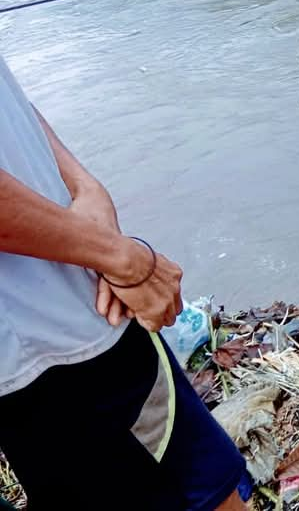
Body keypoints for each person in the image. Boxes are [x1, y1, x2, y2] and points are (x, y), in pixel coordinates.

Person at [0, 56, 250, 511]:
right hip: (56, 340)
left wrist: (84, 188)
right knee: (212, 499)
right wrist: (124, 258)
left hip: (73, 294)